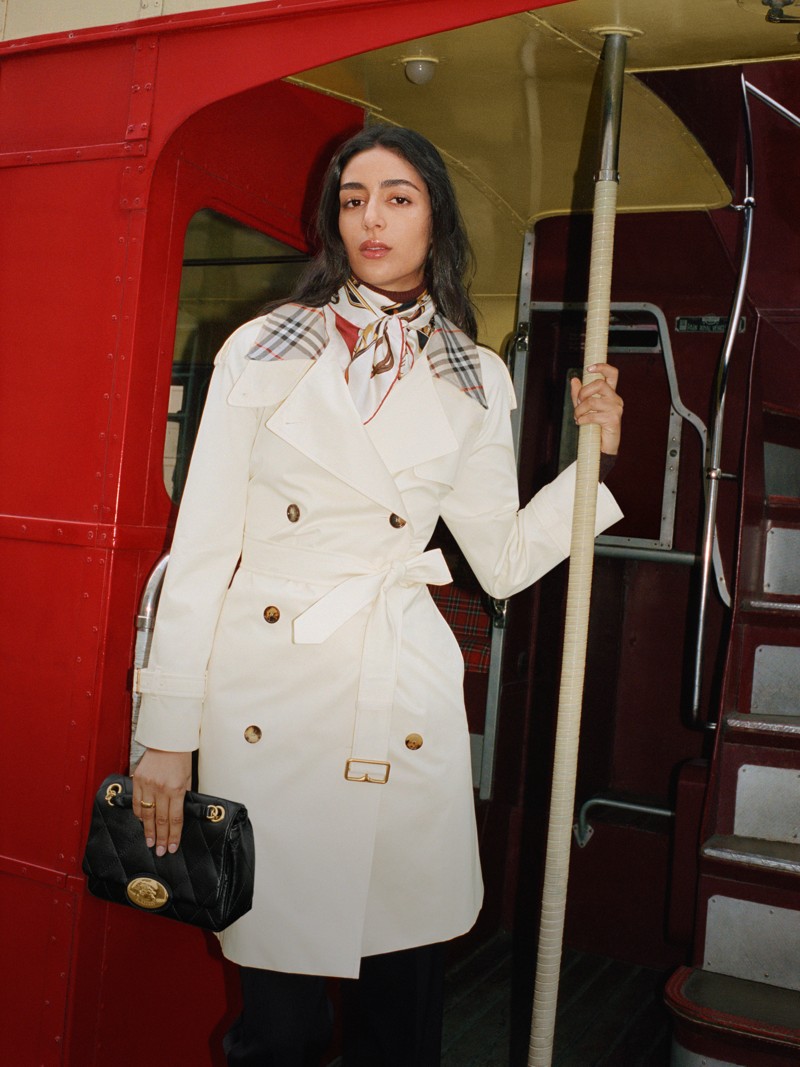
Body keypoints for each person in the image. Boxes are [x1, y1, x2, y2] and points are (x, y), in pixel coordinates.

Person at [132, 125, 624, 1065]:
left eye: (398, 197)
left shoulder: (476, 376)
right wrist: (167, 735)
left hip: (399, 700)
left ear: (435, 219)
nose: (372, 218)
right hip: (269, 698)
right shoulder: (260, 349)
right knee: (280, 1024)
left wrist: (593, 454)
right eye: (354, 199)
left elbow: (503, 558)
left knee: (401, 1013)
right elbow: (200, 551)